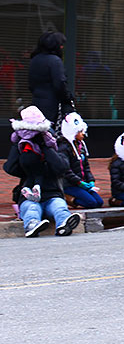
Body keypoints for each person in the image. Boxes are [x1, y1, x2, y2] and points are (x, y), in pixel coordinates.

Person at [3, 106, 80, 237]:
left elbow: (62, 167)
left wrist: (45, 146)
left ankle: (63, 224)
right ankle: (32, 225)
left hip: (52, 195)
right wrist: (18, 145)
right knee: (31, 209)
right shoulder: (24, 151)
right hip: (29, 196)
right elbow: (10, 168)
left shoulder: (54, 145)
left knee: (59, 207)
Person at [57, 112, 103, 208]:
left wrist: (90, 180)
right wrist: (79, 182)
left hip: (82, 182)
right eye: (80, 131)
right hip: (70, 184)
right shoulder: (63, 147)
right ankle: (67, 197)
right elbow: (66, 170)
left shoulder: (81, 146)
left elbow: (86, 166)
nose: (83, 134)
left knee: (99, 202)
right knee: (91, 203)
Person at [28, 31, 74, 124]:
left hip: (37, 101)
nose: (62, 47)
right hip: (52, 103)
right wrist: (68, 98)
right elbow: (60, 84)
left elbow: (31, 84)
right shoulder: (55, 61)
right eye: (60, 44)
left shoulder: (35, 59)